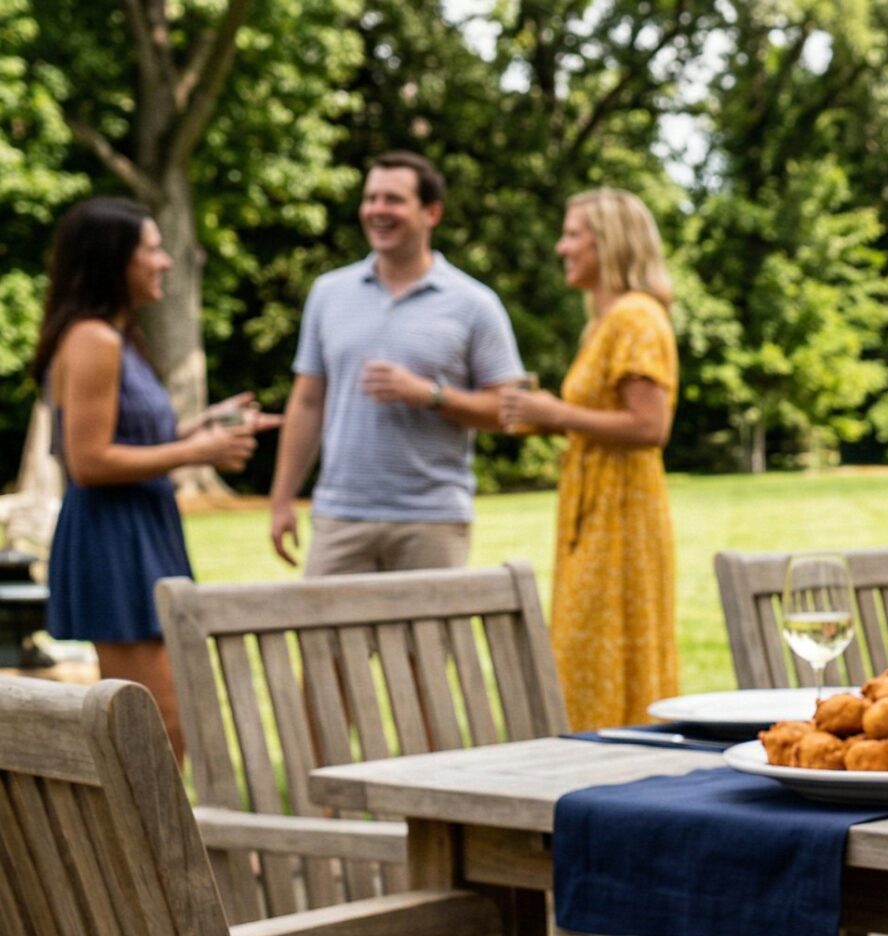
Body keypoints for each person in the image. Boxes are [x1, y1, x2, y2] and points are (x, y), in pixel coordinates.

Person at [34, 197, 276, 759]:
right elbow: (88, 461)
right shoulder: (92, 339)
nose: (165, 261)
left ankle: (155, 847)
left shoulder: (120, 338)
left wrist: (203, 426)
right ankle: (145, 848)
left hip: (143, 531)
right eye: (152, 249)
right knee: (162, 731)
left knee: (171, 725)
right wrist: (197, 449)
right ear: (112, 261)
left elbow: (131, 434)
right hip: (114, 540)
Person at [268, 151, 526, 575]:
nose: (377, 211)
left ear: (432, 212)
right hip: (341, 516)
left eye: (393, 200)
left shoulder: (474, 304)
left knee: (423, 645)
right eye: (371, 199)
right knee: (326, 643)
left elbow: (511, 411)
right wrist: (281, 500)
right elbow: (307, 403)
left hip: (432, 519)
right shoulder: (328, 293)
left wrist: (430, 395)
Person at [499, 189, 681, 730]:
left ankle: (621, 764)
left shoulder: (636, 317)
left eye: (574, 234)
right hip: (597, 513)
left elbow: (651, 427)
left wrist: (556, 414)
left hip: (622, 517)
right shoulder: (602, 323)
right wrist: (545, 415)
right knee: (585, 650)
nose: (562, 246)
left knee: (611, 646)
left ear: (611, 243)